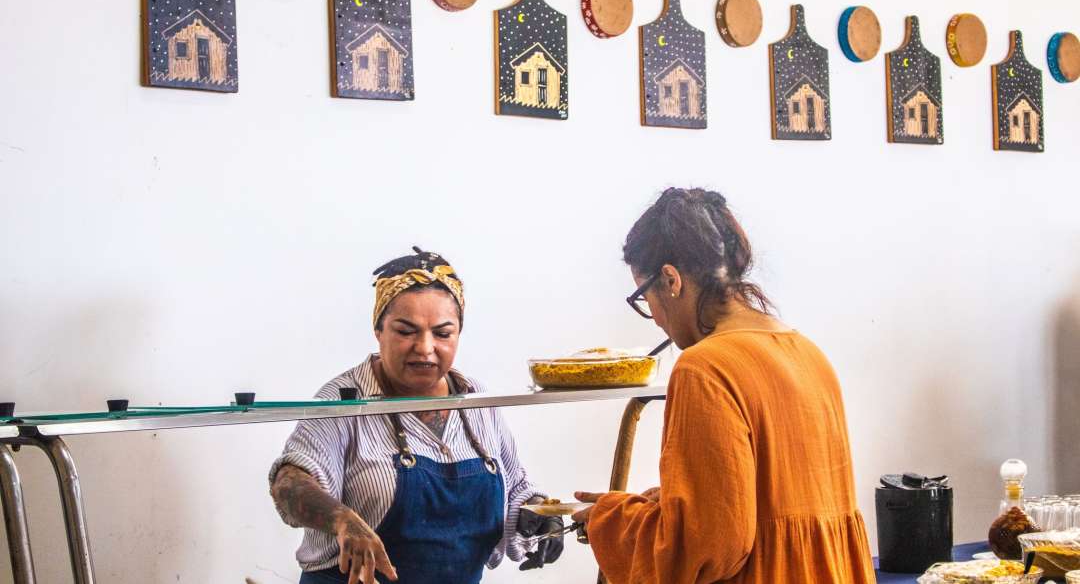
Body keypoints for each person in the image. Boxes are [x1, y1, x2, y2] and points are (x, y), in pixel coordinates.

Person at [572, 188, 875, 583]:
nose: (656, 319)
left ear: (671, 280)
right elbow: (774, 502)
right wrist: (670, 503)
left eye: (644, 298)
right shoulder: (807, 353)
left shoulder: (704, 368)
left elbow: (706, 547)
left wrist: (613, 521)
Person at [269, 247, 563, 584]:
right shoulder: (343, 400)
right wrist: (342, 520)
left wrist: (543, 514)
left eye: (442, 333)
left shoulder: (476, 400)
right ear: (379, 330)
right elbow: (289, 484)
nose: (425, 348)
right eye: (406, 331)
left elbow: (517, 487)